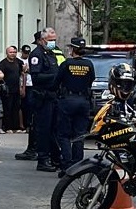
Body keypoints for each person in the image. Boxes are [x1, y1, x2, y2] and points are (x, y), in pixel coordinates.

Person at [54, 37, 95, 176]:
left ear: (73, 49)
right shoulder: (89, 64)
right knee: (80, 134)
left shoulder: (66, 64)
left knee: (64, 134)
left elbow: (56, 81)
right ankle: (78, 164)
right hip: (83, 101)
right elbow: (91, 81)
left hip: (68, 100)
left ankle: (67, 164)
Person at [29, 27, 61, 172]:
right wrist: (55, 77)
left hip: (53, 96)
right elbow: (36, 77)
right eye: (50, 40)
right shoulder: (37, 54)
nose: (53, 42)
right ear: (42, 40)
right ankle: (43, 159)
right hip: (42, 96)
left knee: (53, 129)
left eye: (54, 40)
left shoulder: (51, 53)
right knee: (44, 129)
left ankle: (55, 157)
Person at [16, 40, 38, 161]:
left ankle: (33, 150)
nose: (26, 54)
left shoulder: (36, 56)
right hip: (29, 87)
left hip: (35, 88)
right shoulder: (21, 61)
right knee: (25, 108)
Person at [0, 46, 24, 132]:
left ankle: (16, 127)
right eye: (11, 52)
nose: (13, 54)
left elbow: (22, 73)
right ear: (7, 53)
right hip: (7, 90)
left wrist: (22, 87)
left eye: (14, 52)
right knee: (7, 108)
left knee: (16, 108)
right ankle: (8, 127)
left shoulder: (18, 62)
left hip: (17, 89)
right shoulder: (3, 63)